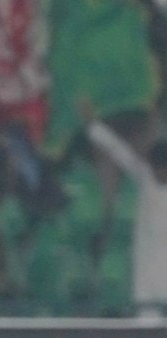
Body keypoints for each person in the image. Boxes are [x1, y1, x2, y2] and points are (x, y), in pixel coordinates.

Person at [81, 103, 167, 317]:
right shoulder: (146, 177)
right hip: (147, 270)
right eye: (155, 171)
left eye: (162, 172)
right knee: (147, 320)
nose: (158, 176)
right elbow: (119, 151)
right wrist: (93, 125)